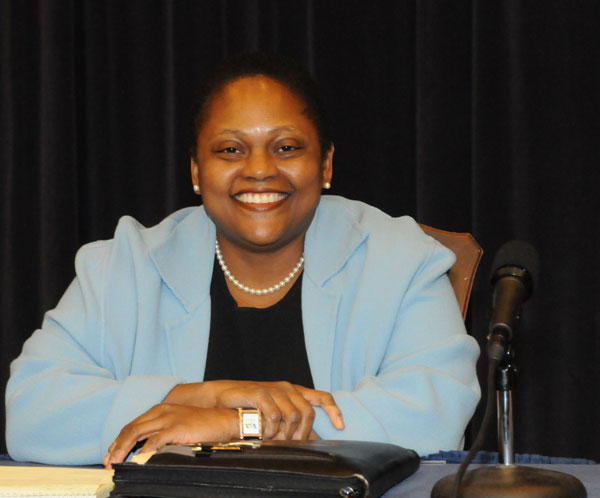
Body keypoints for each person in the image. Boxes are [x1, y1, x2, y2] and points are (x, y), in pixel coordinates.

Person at [5, 53, 480, 467]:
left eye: (287, 147)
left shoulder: (400, 260)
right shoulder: (126, 264)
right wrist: (198, 395)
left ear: (326, 164)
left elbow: (435, 415)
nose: (258, 169)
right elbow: (31, 412)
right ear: (196, 169)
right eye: (230, 150)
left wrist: (238, 426)